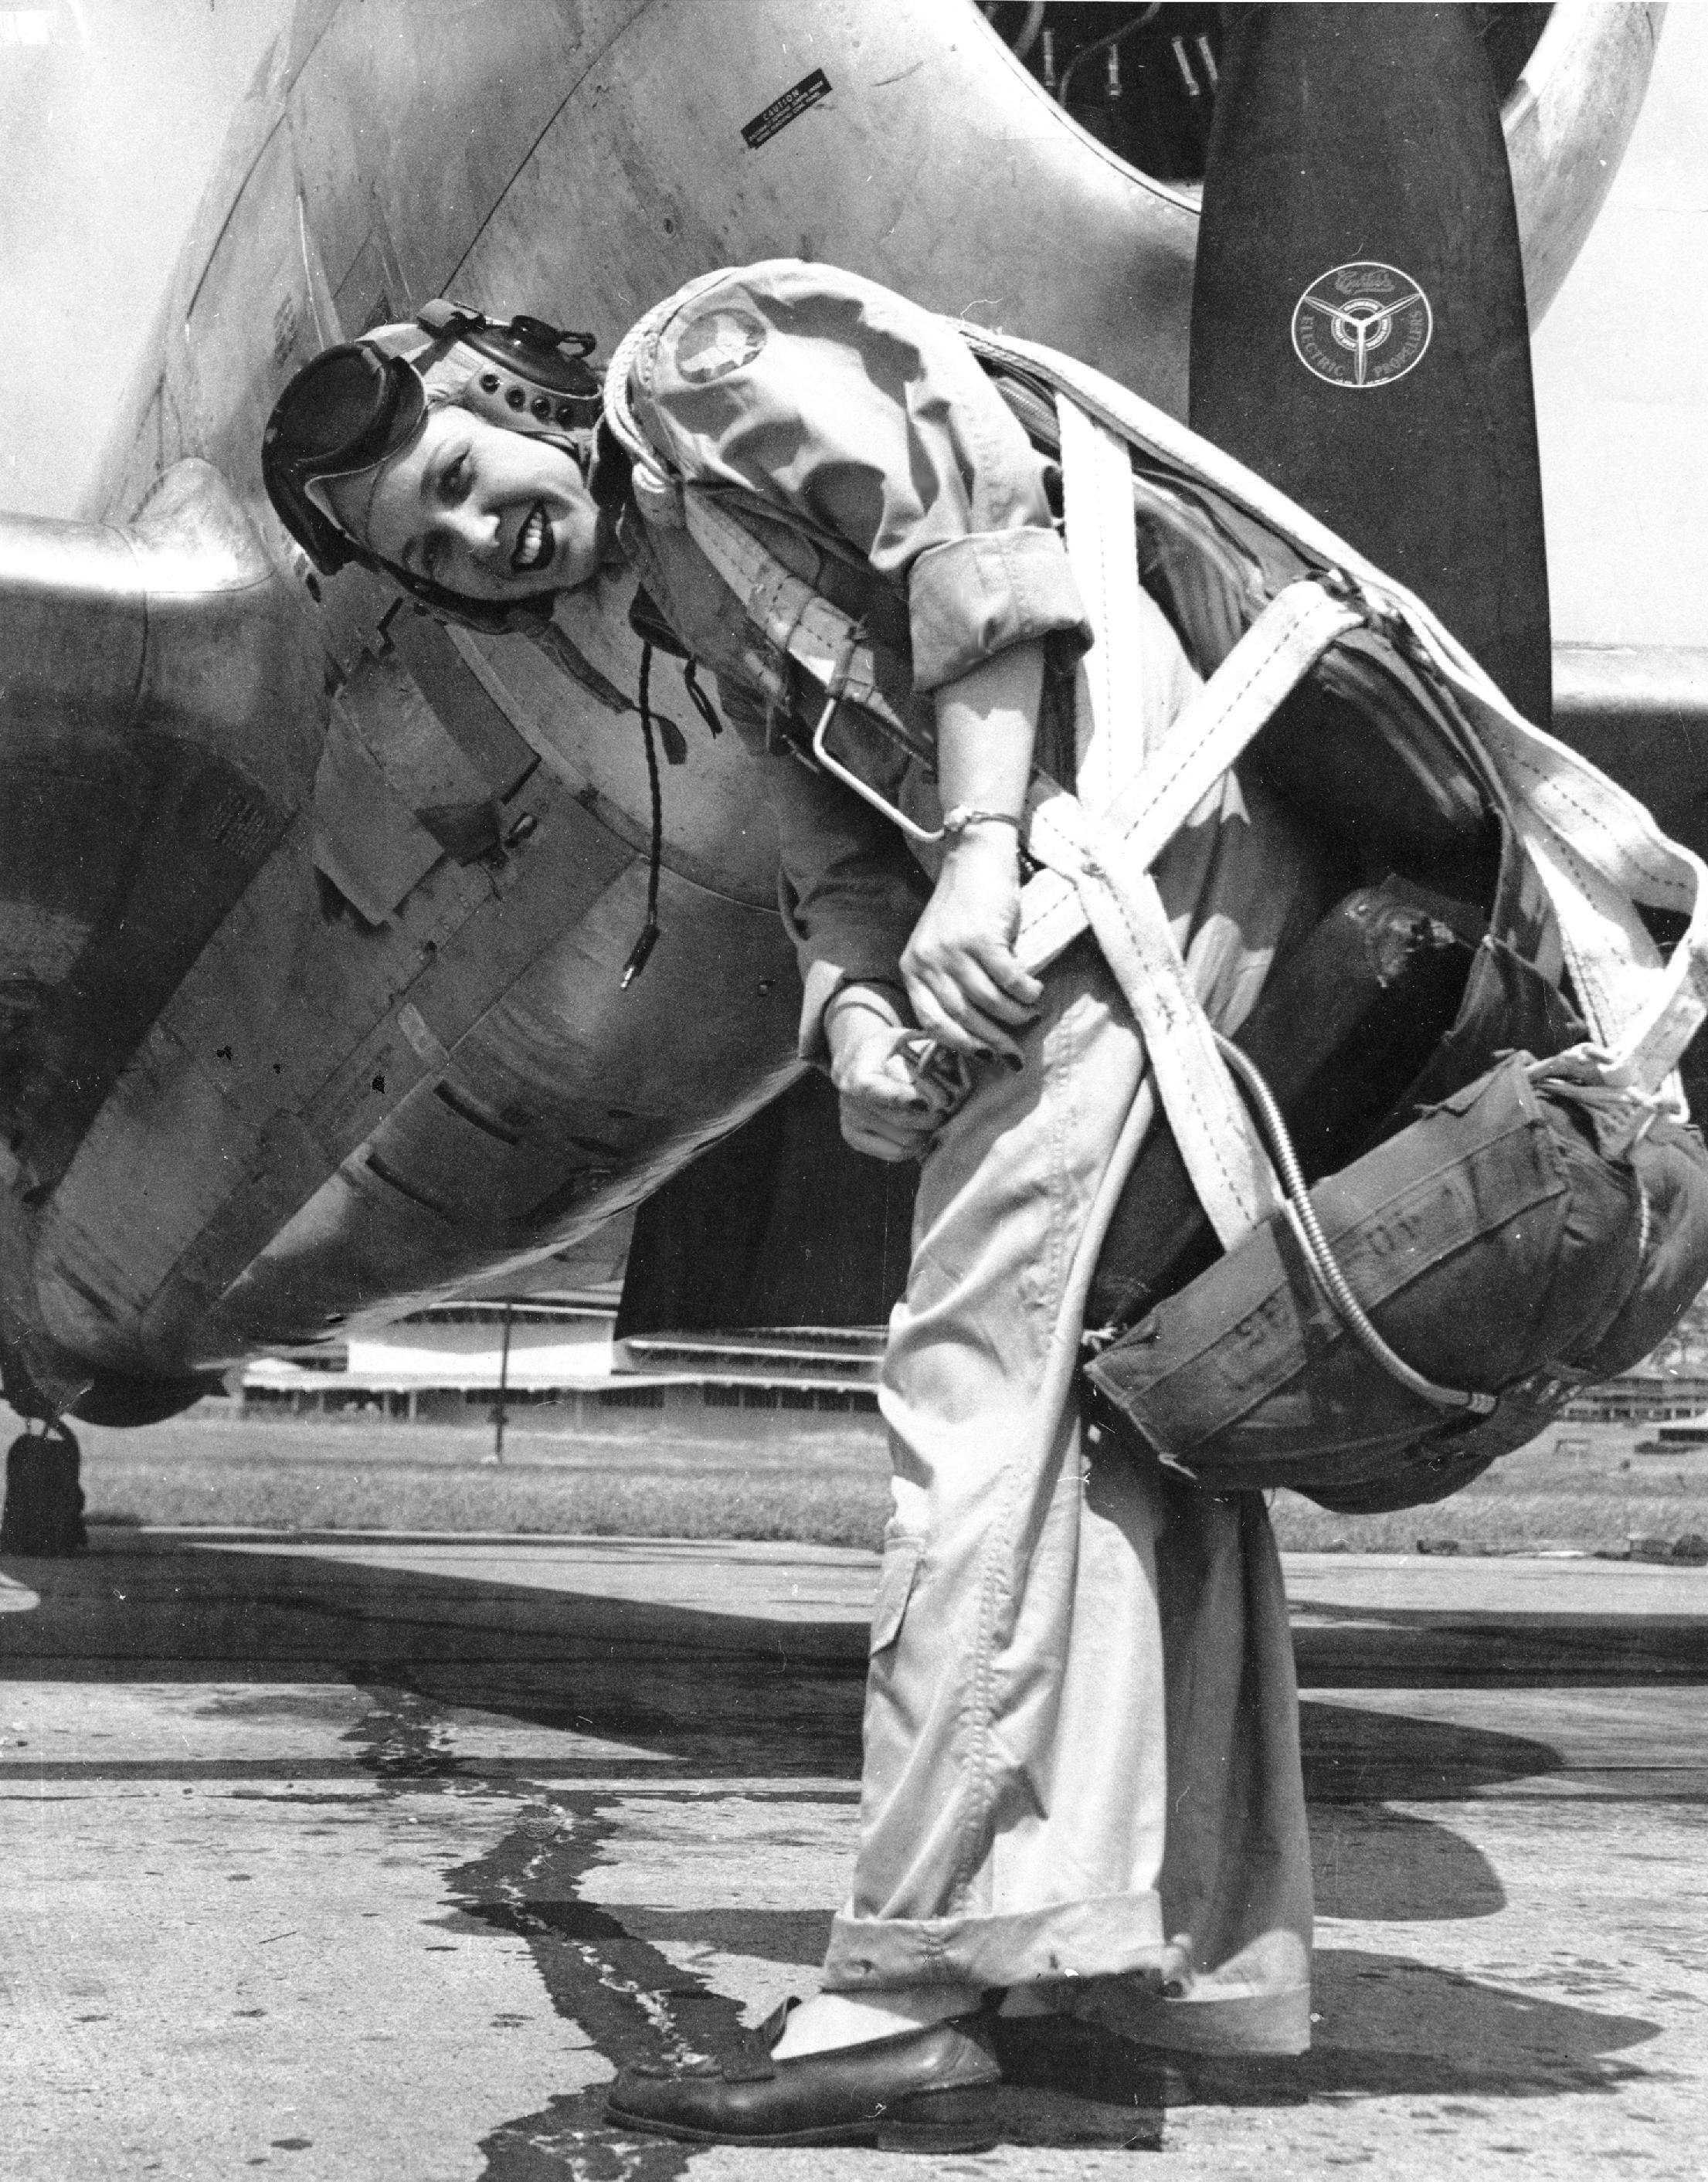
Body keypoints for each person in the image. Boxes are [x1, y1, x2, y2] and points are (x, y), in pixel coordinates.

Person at [263, 260, 1322, 2150]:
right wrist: (850, 1021)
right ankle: (1125, 1958)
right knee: (1120, 1433)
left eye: (461, 469)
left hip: (1110, 867)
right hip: (1102, 886)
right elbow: (831, 838)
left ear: (513, 388)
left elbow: (970, 537)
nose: (484, 531)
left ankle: (904, 1990)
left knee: (967, 1410)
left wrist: (987, 863)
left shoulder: (702, 361)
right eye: (437, 545)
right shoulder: (674, 593)